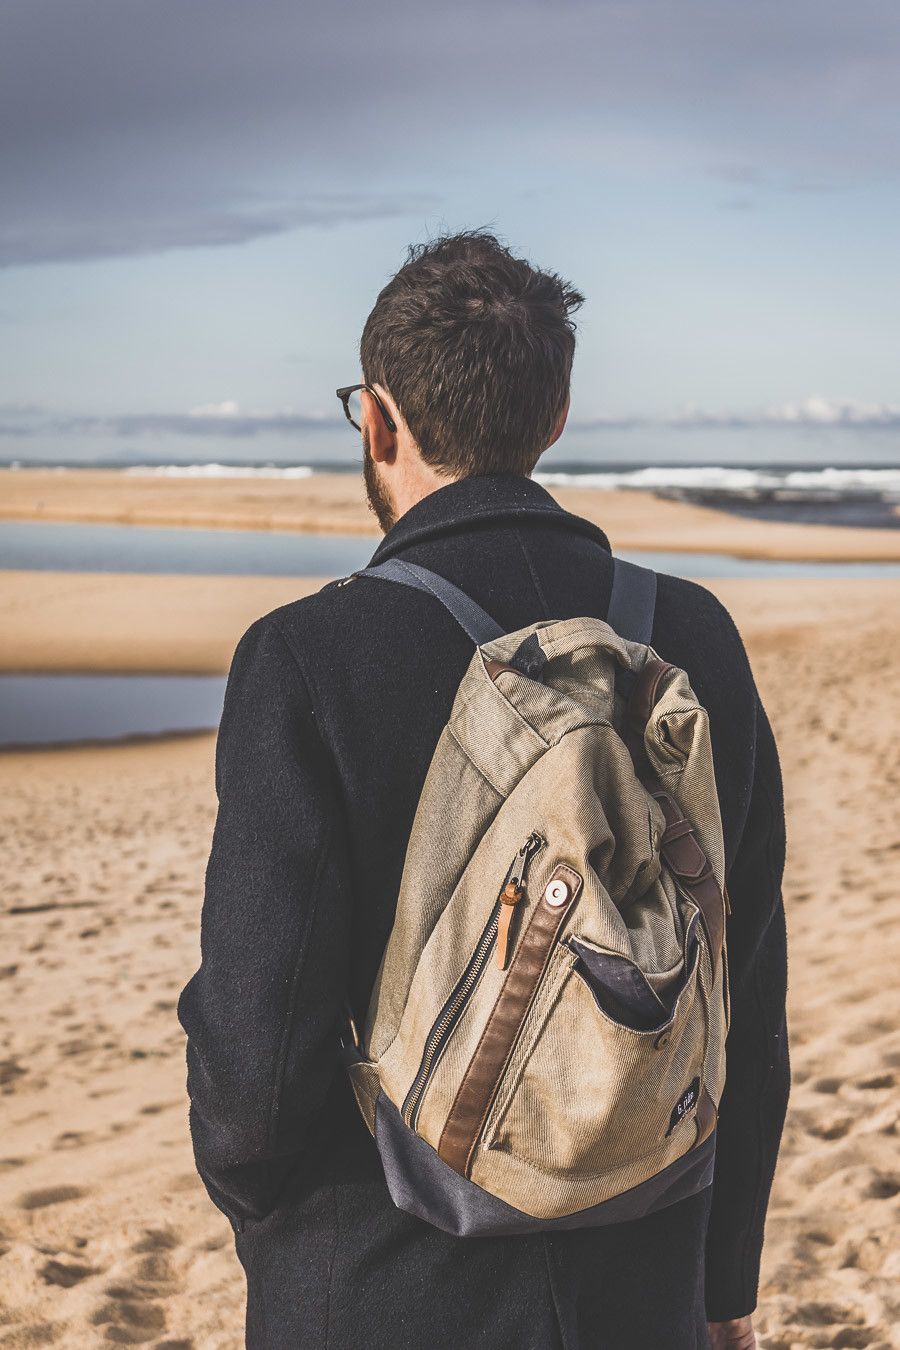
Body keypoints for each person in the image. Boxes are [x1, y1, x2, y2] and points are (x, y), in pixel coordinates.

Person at [178, 231, 789, 1350]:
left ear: (378, 417)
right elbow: (746, 991)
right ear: (553, 419)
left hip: (376, 1279)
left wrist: (286, 1227)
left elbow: (253, 1062)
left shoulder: (308, 657)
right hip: (643, 1277)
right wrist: (722, 1283)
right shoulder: (694, 634)